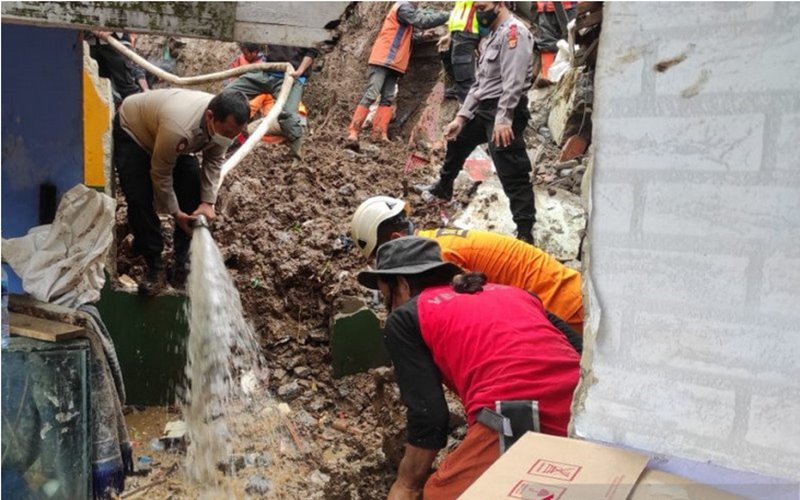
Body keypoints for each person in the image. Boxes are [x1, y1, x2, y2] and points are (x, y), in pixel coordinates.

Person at [357, 237, 580, 499]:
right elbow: (580, 348)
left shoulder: (406, 317)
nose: (389, 308)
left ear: (403, 286)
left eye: (387, 298)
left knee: (441, 492)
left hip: (517, 414)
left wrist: (406, 484)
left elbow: (429, 417)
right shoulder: (515, 293)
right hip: (581, 409)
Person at [351, 196, 584, 336]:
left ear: (395, 240)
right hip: (565, 296)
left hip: (563, 307)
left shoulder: (438, 257)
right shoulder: (435, 241)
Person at [418, 2, 537, 244]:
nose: (479, 11)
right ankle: (444, 186)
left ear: (500, 3)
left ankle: (525, 232)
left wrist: (504, 120)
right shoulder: (491, 37)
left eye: (483, 6)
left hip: (505, 111)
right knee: (457, 140)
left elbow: (513, 82)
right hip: (485, 110)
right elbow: (479, 85)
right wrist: (461, 118)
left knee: (511, 169)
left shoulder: (514, 33)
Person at [114, 89, 249, 294]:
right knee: (139, 197)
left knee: (192, 184)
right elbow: (160, 173)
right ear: (210, 117)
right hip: (136, 132)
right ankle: (154, 265)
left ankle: (182, 264)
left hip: (171, 136)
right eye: (227, 134)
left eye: (234, 134)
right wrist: (176, 213)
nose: (230, 139)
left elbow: (213, 161)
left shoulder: (223, 127)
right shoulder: (179, 128)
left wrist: (207, 203)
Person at [346, 2, 450, 147]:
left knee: (387, 98)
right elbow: (421, 21)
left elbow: (408, 36)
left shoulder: (407, 11)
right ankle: (354, 131)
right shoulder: (404, 7)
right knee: (371, 93)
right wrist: (450, 16)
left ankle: (379, 133)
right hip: (383, 58)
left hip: (394, 62)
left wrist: (423, 36)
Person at [225, 43, 319, 158]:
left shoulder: (305, 31)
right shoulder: (268, 37)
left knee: (288, 115)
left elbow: (312, 50)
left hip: (291, 78)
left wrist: (299, 71)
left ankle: (296, 157)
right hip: (267, 73)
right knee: (228, 94)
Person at [87, 31, 149, 106]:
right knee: (95, 87)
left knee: (126, 86)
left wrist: (110, 29)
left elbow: (138, 71)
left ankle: (140, 109)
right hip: (90, 42)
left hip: (116, 41)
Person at [440, 1, 481, 103]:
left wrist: (483, 37)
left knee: (464, 75)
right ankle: (457, 89)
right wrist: (450, 34)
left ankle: (467, 109)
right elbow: (458, 12)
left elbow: (487, 9)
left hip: (468, 32)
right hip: (457, 32)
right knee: (446, 56)